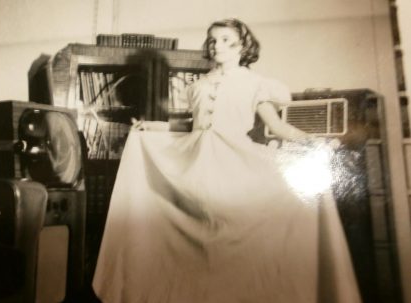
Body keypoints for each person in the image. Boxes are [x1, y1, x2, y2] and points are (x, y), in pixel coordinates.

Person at [93, 18, 361, 303]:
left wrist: (313, 142)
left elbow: (279, 127)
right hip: (195, 167)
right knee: (198, 241)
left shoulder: (256, 84)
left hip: (234, 164)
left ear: (242, 46)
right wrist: (154, 128)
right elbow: (191, 126)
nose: (216, 45)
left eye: (225, 40)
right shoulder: (198, 86)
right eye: (212, 40)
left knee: (233, 240)